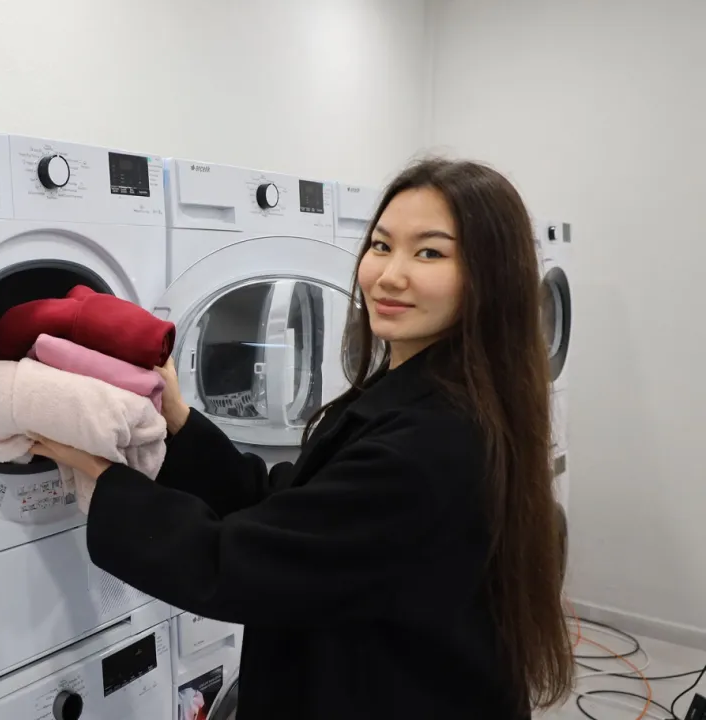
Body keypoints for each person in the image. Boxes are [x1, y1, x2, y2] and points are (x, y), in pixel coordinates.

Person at [31, 158, 574, 719]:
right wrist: (178, 418)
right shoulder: (430, 392)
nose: (389, 275)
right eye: (382, 245)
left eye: (430, 253)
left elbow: (234, 565)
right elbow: (289, 508)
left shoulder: (433, 444)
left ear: (490, 278)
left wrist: (107, 480)